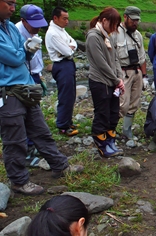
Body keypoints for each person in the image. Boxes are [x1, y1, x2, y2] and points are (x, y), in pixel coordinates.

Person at [0, 0, 83, 195]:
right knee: (15, 139)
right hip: (7, 91)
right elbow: (16, 57)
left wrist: (25, 52)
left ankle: (60, 165)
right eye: (9, 3)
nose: (12, 7)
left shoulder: (10, 26)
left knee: (41, 130)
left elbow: (25, 53)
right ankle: (19, 181)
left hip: (26, 87)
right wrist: (25, 50)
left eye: (14, 3)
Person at [86, 7, 125, 158]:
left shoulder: (107, 36)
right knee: (102, 113)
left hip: (112, 82)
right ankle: (101, 143)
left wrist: (119, 77)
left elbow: (115, 58)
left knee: (114, 112)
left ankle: (110, 140)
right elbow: (101, 63)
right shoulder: (93, 36)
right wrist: (116, 79)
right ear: (104, 21)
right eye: (113, 25)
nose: (114, 29)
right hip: (100, 81)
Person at [15, 4, 49, 167]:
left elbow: (36, 56)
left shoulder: (34, 32)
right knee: (23, 114)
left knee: (34, 112)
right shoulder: (16, 32)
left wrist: (39, 74)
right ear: (23, 20)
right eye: (34, 25)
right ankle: (26, 150)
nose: (37, 29)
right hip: (22, 79)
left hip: (34, 75)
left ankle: (33, 144)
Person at [113, 6, 147, 140]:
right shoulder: (115, 33)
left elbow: (142, 57)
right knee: (122, 104)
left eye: (137, 20)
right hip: (123, 72)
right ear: (125, 17)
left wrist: (144, 76)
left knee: (134, 103)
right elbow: (112, 57)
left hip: (137, 71)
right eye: (133, 20)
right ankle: (111, 128)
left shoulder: (138, 35)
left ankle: (127, 130)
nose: (135, 23)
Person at [45, 6, 79, 136]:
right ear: (55, 18)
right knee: (65, 96)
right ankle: (63, 125)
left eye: (67, 19)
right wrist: (68, 48)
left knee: (70, 95)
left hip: (67, 63)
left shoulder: (61, 30)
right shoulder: (53, 33)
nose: (67, 21)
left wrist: (69, 47)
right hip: (61, 65)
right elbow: (67, 51)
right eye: (64, 19)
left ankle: (67, 121)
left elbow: (73, 43)